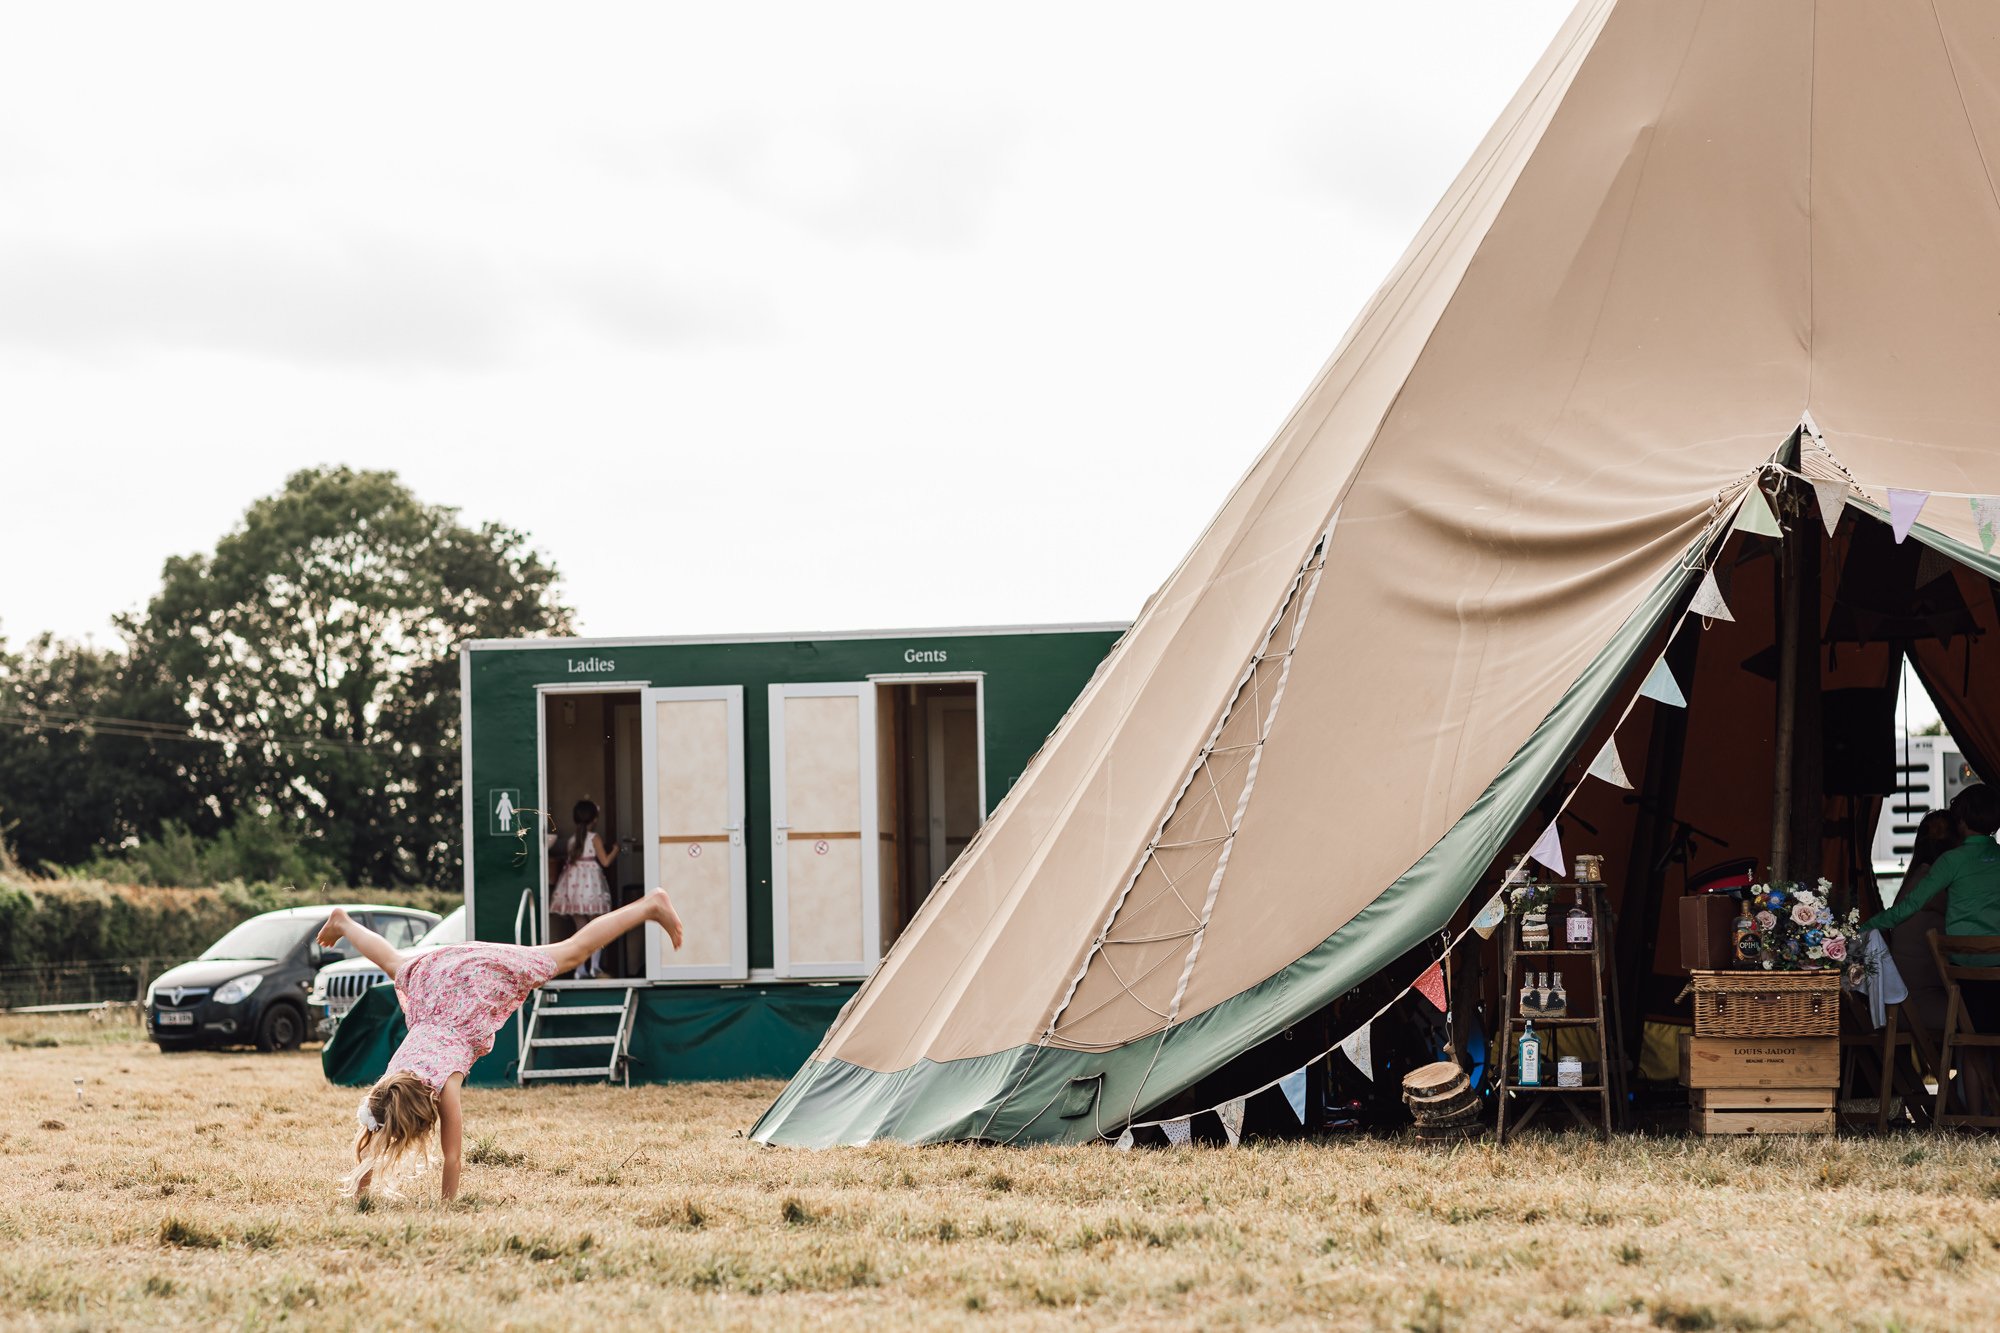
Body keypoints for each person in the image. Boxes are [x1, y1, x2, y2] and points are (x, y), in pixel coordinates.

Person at [322, 888, 684, 1200]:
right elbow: (374, 1129)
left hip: (478, 977)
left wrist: (446, 1208)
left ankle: (651, 905)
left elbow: (452, 1158)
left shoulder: (444, 1084)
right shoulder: (389, 1086)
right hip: (437, 980)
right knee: (395, 962)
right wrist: (360, 1193)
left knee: (571, 952)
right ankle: (344, 921)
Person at [1887, 808, 1964, 1033]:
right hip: (1924, 1007)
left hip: (1904, 1005)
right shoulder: (1935, 887)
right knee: (1983, 1017)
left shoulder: (1919, 878)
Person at [550, 798, 618, 978]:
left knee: (580, 931)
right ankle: (594, 967)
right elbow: (605, 861)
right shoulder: (594, 838)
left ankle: (579, 970)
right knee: (597, 928)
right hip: (591, 888)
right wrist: (616, 850)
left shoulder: (572, 840)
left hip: (573, 888)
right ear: (595, 819)